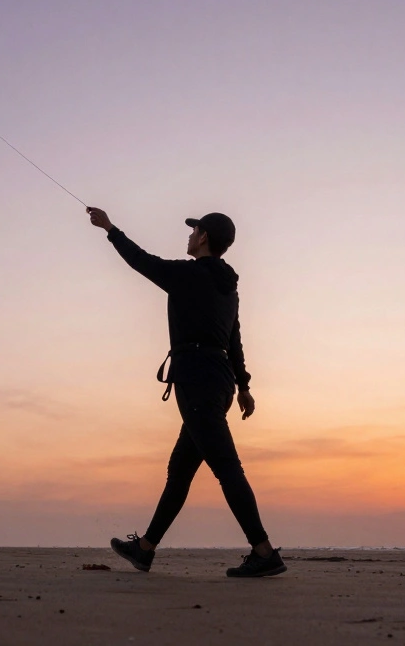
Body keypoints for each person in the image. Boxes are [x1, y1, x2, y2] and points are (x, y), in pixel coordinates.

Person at [87, 207, 286, 578]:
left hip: (197, 379)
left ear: (204, 237)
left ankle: (264, 551)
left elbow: (141, 261)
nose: (190, 235)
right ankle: (144, 549)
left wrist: (110, 228)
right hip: (219, 379)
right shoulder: (229, 288)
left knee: (227, 468)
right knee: (180, 471)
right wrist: (243, 386)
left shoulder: (188, 275)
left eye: (194, 230)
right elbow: (234, 340)